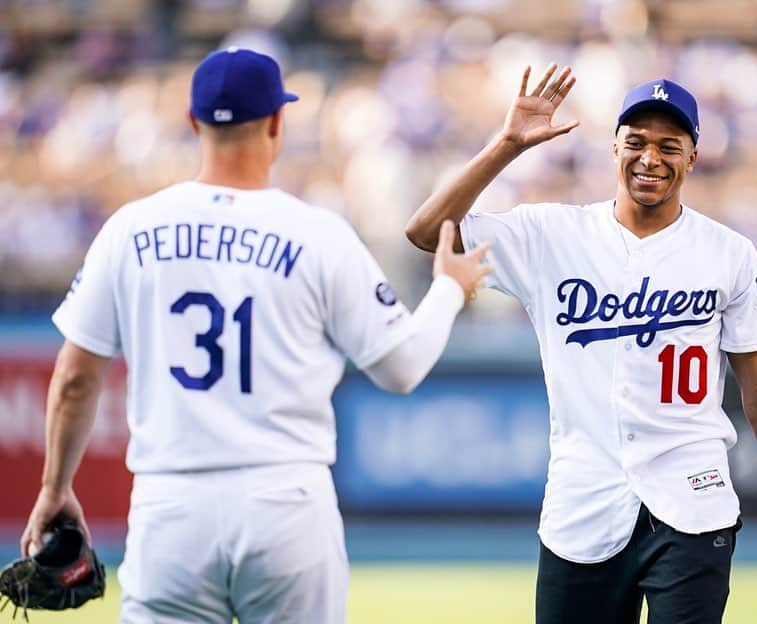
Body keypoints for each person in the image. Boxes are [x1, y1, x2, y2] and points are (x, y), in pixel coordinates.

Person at [20, 47, 492, 624]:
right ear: (276, 122)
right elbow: (403, 367)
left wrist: (54, 486)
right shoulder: (318, 233)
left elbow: (74, 380)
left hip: (171, 507)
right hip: (286, 504)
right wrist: (448, 288)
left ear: (194, 123)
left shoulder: (131, 228)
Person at [405, 64, 757, 624]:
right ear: (614, 149)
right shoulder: (550, 235)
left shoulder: (728, 254)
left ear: (693, 157)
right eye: (637, 142)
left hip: (693, 503)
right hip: (582, 505)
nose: (650, 158)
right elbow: (427, 231)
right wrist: (506, 145)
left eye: (668, 145)